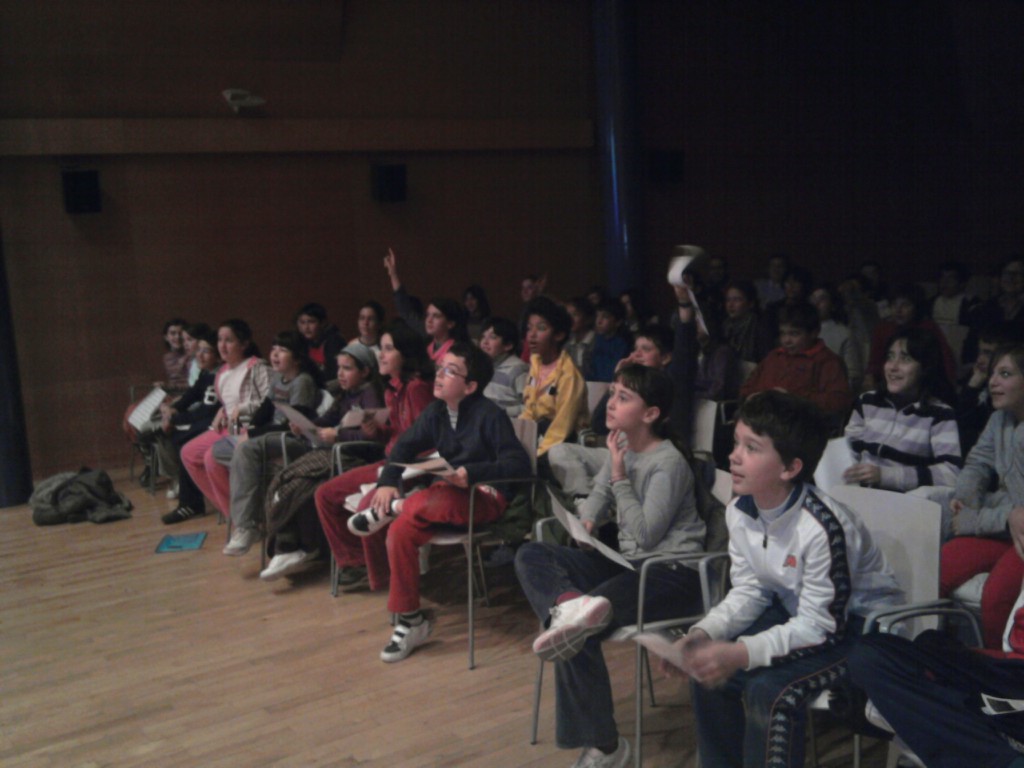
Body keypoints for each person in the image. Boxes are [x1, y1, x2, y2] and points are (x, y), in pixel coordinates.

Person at [661, 390, 902, 768]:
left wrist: (740, 652)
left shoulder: (822, 528)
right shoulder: (740, 510)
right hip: (803, 614)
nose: (734, 456)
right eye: (736, 442)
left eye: (752, 448)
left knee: (769, 690)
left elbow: (823, 628)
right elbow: (751, 589)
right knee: (706, 670)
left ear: (790, 468)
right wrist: (705, 633)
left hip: (862, 630)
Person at [515, 365, 706, 768]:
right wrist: (586, 520)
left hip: (673, 573)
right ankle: (568, 602)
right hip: (630, 565)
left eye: (623, 397)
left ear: (650, 414)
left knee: (576, 632)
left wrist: (620, 475)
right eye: (613, 392)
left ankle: (605, 747)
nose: (611, 403)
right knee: (533, 554)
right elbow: (599, 493)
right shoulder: (622, 443)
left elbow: (647, 534)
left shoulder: (667, 462)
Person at [345, 342, 531, 662]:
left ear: (470, 386)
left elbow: (518, 465)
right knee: (399, 532)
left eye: (450, 371)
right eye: (440, 367)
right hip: (444, 497)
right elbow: (403, 447)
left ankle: (395, 509)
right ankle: (411, 620)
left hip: (485, 498)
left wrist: (471, 473)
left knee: (434, 498)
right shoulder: (436, 412)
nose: (440, 375)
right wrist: (387, 483)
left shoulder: (490, 415)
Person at [848, 504, 1024, 768]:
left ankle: (995, 754)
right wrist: (1011, 514)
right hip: (1009, 673)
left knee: (893, 685)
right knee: (877, 655)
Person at [314, 321, 435, 593]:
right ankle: (355, 563)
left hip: (412, 469)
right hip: (390, 463)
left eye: (388, 349)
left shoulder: (417, 388)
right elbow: (401, 433)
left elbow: (425, 442)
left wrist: (394, 464)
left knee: (367, 507)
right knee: (325, 494)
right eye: (381, 348)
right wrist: (379, 432)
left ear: (406, 354)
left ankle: (385, 581)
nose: (381, 354)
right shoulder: (393, 388)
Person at [259, 342, 386, 581]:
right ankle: (287, 546)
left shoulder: (370, 393)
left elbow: (371, 437)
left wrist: (338, 435)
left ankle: (298, 547)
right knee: (285, 480)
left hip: (357, 457)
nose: (340, 374)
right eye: (339, 368)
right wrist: (306, 426)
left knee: (306, 487)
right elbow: (327, 419)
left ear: (365, 371)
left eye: (347, 368)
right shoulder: (345, 394)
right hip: (337, 454)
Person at [941, 345, 1024, 648]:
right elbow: (977, 464)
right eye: (993, 374)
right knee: (938, 566)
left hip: (1019, 537)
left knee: (996, 597)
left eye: (1005, 374)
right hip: (1004, 528)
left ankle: (995, 666)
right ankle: (928, 653)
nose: (992, 382)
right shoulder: (999, 420)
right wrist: (966, 499)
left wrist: (974, 519)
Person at [220, 330, 319, 556]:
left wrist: (252, 435)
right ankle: (255, 510)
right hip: (270, 438)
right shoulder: (277, 379)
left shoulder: (302, 382)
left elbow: (294, 424)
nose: (274, 354)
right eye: (273, 349)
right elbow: (264, 411)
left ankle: (247, 526)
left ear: (297, 358)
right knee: (220, 449)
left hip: (292, 439)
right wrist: (249, 430)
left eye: (282, 350)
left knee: (245, 451)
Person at [546, 325, 674, 500]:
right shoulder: (629, 384)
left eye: (645, 349)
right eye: (635, 349)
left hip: (643, 456)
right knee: (559, 451)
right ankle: (584, 499)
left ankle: (593, 505)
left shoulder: (667, 388)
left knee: (603, 479)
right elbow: (598, 425)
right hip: (617, 451)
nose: (636, 355)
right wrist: (617, 377)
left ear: (665, 358)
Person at [168, 319, 272, 524]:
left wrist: (237, 412)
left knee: (211, 457)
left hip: (251, 427)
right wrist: (222, 411)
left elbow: (266, 404)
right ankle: (232, 513)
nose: (222, 346)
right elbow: (228, 403)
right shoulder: (222, 371)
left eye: (229, 341)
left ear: (243, 344)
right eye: (220, 340)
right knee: (188, 453)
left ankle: (245, 517)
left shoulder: (257, 367)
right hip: (231, 426)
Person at [841, 328, 962, 492]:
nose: (893, 367)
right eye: (890, 357)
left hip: (905, 500)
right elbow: (848, 450)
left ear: (925, 367)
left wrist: (886, 476)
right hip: (860, 493)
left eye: (905, 359)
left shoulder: (940, 414)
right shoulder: (867, 401)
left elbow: (951, 474)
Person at [739, 302, 854, 429]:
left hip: (799, 428)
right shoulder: (774, 356)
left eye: (794, 334)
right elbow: (747, 388)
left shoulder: (827, 361)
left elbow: (838, 402)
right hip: (759, 421)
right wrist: (753, 396)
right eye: (783, 333)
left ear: (814, 333)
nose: (786, 340)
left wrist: (792, 398)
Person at [154, 328, 222, 523]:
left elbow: (208, 413)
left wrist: (176, 419)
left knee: (184, 442)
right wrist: (171, 409)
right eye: (198, 350)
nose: (199, 355)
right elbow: (190, 396)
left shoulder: (219, 375)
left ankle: (190, 502)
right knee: (165, 433)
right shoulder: (206, 373)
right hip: (206, 421)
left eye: (205, 351)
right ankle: (184, 487)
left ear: (217, 354)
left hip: (216, 425)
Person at [520, 296, 588, 458]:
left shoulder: (569, 375)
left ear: (559, 335)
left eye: (541, 328)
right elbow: (529, 411)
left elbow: (562, 428)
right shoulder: (535, 363)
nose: (532, 335)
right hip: (538, 435)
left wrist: (535, 456)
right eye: (529, 328)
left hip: (564, 445)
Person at [863, 283, 957, 392]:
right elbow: (875, 361)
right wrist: (870, 377)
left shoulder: (928, 327)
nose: (898, 310)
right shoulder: (883, 329)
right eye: (894, 305)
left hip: (923, 384)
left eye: (905, 305)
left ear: (916, 307)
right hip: (889, 382)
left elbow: (945, 359)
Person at [383, 247, 468, 362]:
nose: (429, 320)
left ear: (450, 323)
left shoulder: (460, 351)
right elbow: (406, 311)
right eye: (428, 315)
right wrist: (393, 274)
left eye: (436, 316)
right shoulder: (427, 341)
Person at [810, 283, 865, 393]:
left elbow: (853, 376)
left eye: (822, 299)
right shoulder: (801, 332)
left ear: (832, 304)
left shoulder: (844, 334)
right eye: (813, 299)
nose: (816, 303)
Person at [478, 317, 529, 417]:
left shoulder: (518, 369)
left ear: (508, 345)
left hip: (509, 423)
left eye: (493, 337)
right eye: (483, 336)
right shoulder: (480, 365)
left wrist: (500, 413)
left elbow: (529, 407)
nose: (485, 342)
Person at [721, 280, 774, 364]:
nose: (730, 305)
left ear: (750, 303)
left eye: (737, 300)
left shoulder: (760, 326)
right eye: (728, 300)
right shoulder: (725, 326)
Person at [295, 302, 344, 388]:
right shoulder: (301, 342)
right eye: (302, 322)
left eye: (311, 322)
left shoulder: (334, 342)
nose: (306, 327)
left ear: (323, 323)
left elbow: (335, 376)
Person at [590, 299, 631, 383]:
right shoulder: (597, 339)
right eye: (597, 316)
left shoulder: (622, 344)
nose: (598, 321)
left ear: (618, 322)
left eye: (605, 317)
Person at [931, 260, 979, 327]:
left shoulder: (972, 304)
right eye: (942, 277)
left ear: (962, 283)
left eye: (950, 278)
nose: (944, 282)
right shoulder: (931, 302)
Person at [564, 296, 596, 379]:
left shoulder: (597, 342)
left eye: (575, 315)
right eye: (567, 315)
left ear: (588, 318)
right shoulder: (567, 342)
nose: (570, 319)